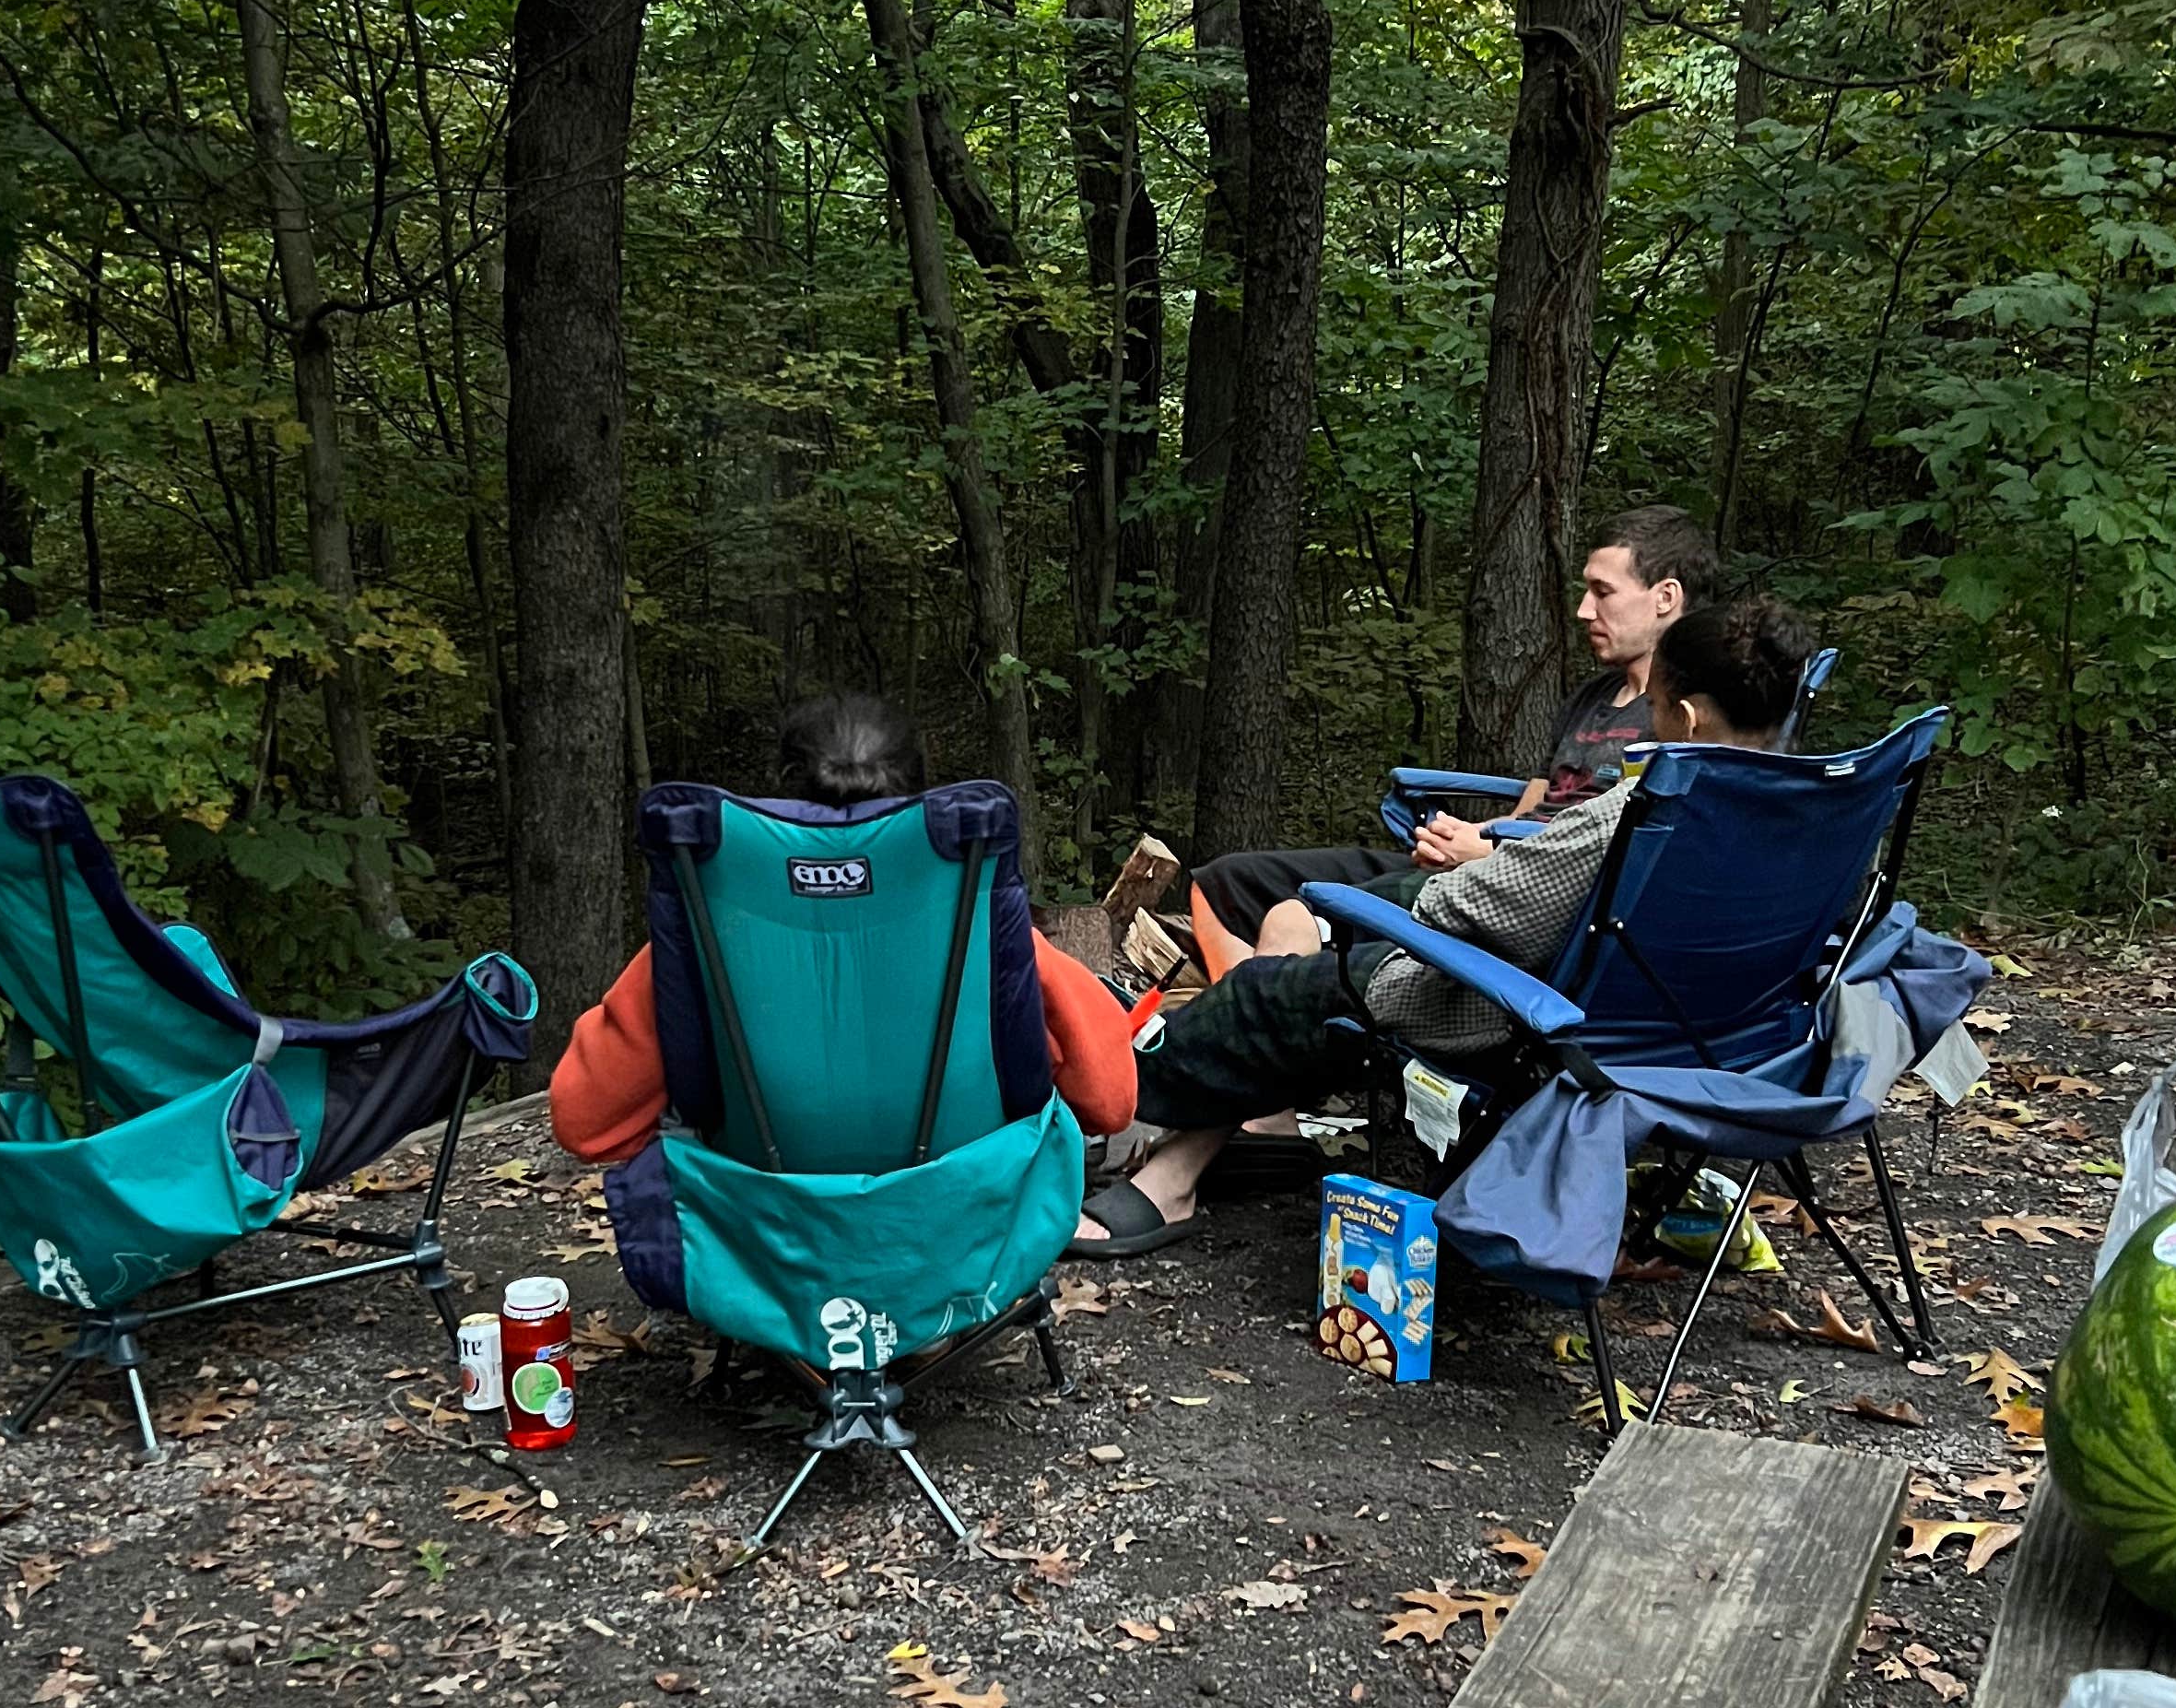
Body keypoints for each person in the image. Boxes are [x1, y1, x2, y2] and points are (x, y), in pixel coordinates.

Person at [1072, 595, 1818, 1253]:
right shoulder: (1808, 811)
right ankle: (1185, 1166)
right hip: (1709, 1038)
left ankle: (1123, 1096)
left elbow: (1464, 906)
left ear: (1684, 718)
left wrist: (1401, 903)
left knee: (1275, 990)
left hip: (1531, 1014)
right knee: (1316, 941)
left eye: (1652, 709)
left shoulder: (1644, 811)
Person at [550, 689, 1139, 1161]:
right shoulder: (983, 938)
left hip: (763, 1236)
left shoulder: (707, 945)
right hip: (963, 1230)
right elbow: (1111, 1102)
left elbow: (583, 1123)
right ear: (917, 791)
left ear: (784, 794)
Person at [1192, 503, 1724, 953]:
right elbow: (1533, 803)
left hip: (1534, 899)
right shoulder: (1592, 696)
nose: (1584, 610)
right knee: (1226, 882)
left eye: (1602, 592)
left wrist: (1491, 853)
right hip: (1487, 861)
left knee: (1296, 921)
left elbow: (1625, 854)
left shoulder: (1687, 720)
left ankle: (1235, 1012)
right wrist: (1465, 838)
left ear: (1665, 597)